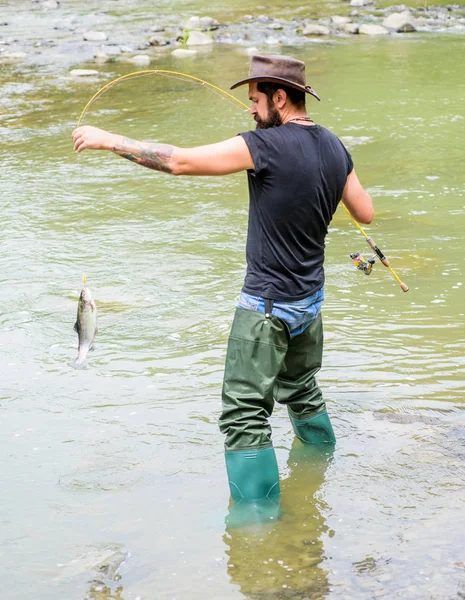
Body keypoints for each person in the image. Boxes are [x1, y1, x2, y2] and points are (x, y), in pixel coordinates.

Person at [72, 54, 374, 514]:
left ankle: (257, 526)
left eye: (255, 101)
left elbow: (179, 162)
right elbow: (365, 212)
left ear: (279, 97)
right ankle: (319, 470)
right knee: (302, 388)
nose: (251, 111)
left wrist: (107, 139)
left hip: (266, 310)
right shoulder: (335, 146)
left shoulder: (264, 146)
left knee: (244, 416)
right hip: (310, 305)